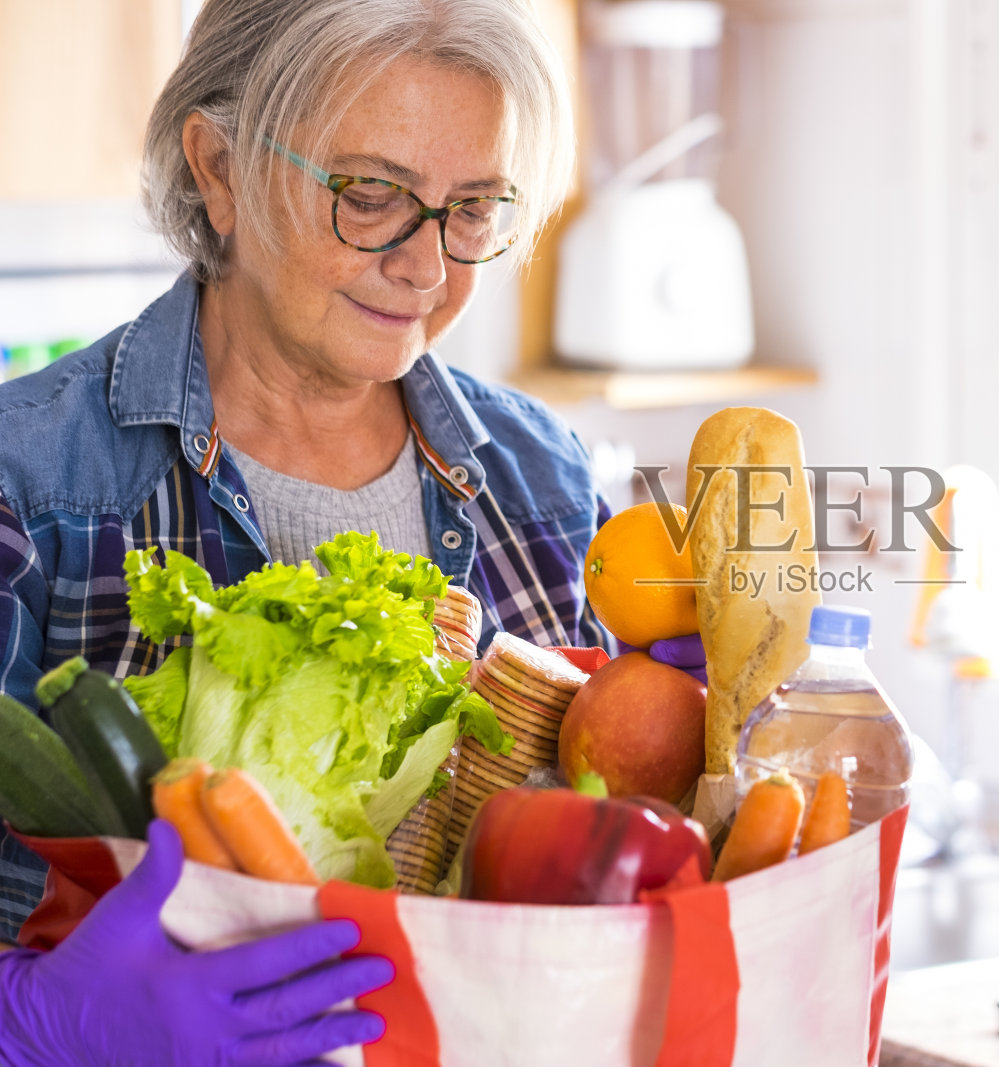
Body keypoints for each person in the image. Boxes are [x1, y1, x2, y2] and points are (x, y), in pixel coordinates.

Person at [0, 1, 690, 1062]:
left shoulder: (541, 481)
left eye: (473, 208)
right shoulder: (29, 483)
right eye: (370, 195)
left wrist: (709, 742)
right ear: (218, 168)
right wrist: (35, 1020)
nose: (427, 267)